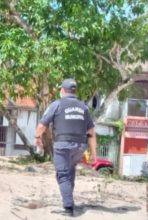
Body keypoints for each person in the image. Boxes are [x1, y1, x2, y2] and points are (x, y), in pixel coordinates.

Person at [34, 78, 97, 217]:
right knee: (70, 171)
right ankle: (69, 199)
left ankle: (68, 207)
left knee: (63, 175)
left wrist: (37, 138)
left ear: (62, 90)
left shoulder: (56, 104)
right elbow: (91, 132)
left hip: (62, 146)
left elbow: (42, 125)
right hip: (79, 147)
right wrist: (93, 153)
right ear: (75, 91)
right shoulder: (84, 107)